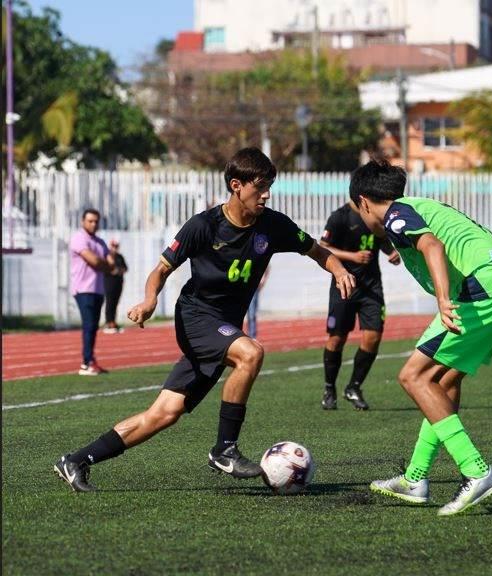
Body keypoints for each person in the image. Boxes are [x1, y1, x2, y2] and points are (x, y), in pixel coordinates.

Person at [54, 147, 356, 492]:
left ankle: (76, 460)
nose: (266, 195)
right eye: (260, 188)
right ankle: (224, 448)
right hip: (196, 317)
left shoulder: (273, 225)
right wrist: (150, 298)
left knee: (163, 414)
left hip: (222, 327)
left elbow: (318, 251)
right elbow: (161, 269)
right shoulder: (204, 225)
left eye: (269, 187)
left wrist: (339, 269)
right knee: (251, 353)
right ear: (236, 185)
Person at [349, 158, 492, 516]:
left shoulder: (396, 214)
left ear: (364, 201)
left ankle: (477, 470)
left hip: (478, 291)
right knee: (445, 380)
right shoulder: (426, 207)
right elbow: (471, 244)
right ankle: (415, 478)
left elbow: (432, 246)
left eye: (360, 211)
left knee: (413, 376)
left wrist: (443, 299)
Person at [319, 200, 400, 411]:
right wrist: (352, 256)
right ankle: (329, 389)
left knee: (373, 336)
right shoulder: (340, 217)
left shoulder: (372, 215)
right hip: (343, 286)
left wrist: (391, 252)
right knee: (337, 339)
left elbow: (381, 239)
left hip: (371, 287)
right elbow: (323, 247)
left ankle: (354, 387)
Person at [70, 209, 117, 376]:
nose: (93, 224)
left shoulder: (99, 241)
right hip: (83, 288)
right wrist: (104, 263)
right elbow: (95, 261)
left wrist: (108, 257)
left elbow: (110, 264)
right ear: (83, 221)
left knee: (93, 326)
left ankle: (90, 360)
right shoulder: (79, 238)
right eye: (90, 221)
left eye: (96, 221)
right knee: (89, 325)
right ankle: (86, 362)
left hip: (97, 289)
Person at [103, 240, 128, 334]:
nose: (115, 248)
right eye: (113, 246)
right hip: (109, 283)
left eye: (116, 246)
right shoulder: (107, 256)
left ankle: (113, 321)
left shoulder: (120, 257)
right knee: (109, 302)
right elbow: (105, 268)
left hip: (118, 283)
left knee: (115, 303)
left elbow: (125, 268)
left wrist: (118, 270)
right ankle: (108, 322)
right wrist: (113, 271)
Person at [246, 265, 269, 339]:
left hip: (254, 288)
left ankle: (252, 336)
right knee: (249, 314)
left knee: (252, 314)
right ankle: (249, 336)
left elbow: (267, 267)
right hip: (245, 288)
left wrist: (263, 281)